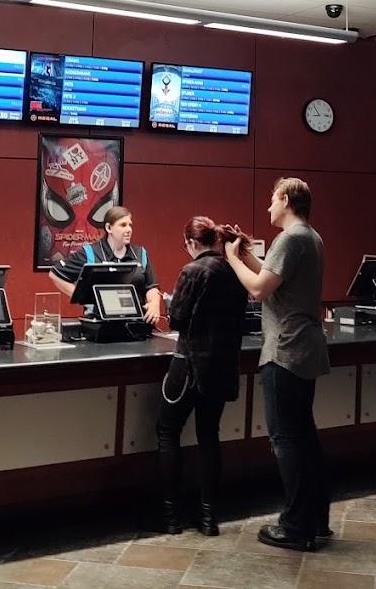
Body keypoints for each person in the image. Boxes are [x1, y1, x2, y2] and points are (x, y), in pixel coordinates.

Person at [223, 177, 330, 552]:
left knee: (286, 440)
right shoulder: (310, 237)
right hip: (304, 349)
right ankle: (316, 520)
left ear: (285, 199)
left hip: (285, 350)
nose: (268, 206)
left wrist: (232, 259)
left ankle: (296, 526)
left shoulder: (290, 238)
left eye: (272, 199)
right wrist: (247, 253)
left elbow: (257, 289)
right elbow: (273, 278)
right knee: (305, 437)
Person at [157, 217, 250, 537]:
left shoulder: (192, 270)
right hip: (221, 366)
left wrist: (170, 304)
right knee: (209, 436)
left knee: (168, 432)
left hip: (188, 365)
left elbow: (176, 319)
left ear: (192, 243)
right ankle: (209, 518)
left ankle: (171, 517)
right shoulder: (234, 271)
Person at [48, 206, 163, 324]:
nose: (129, 229)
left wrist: (154, 303)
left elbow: (151, 287)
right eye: (123, 225)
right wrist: (84, 298)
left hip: (136, 324)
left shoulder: (140, 253)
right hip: (99, 325)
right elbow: (55, 275)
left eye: (130, 225)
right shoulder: (90, 253)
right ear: (109, 228)